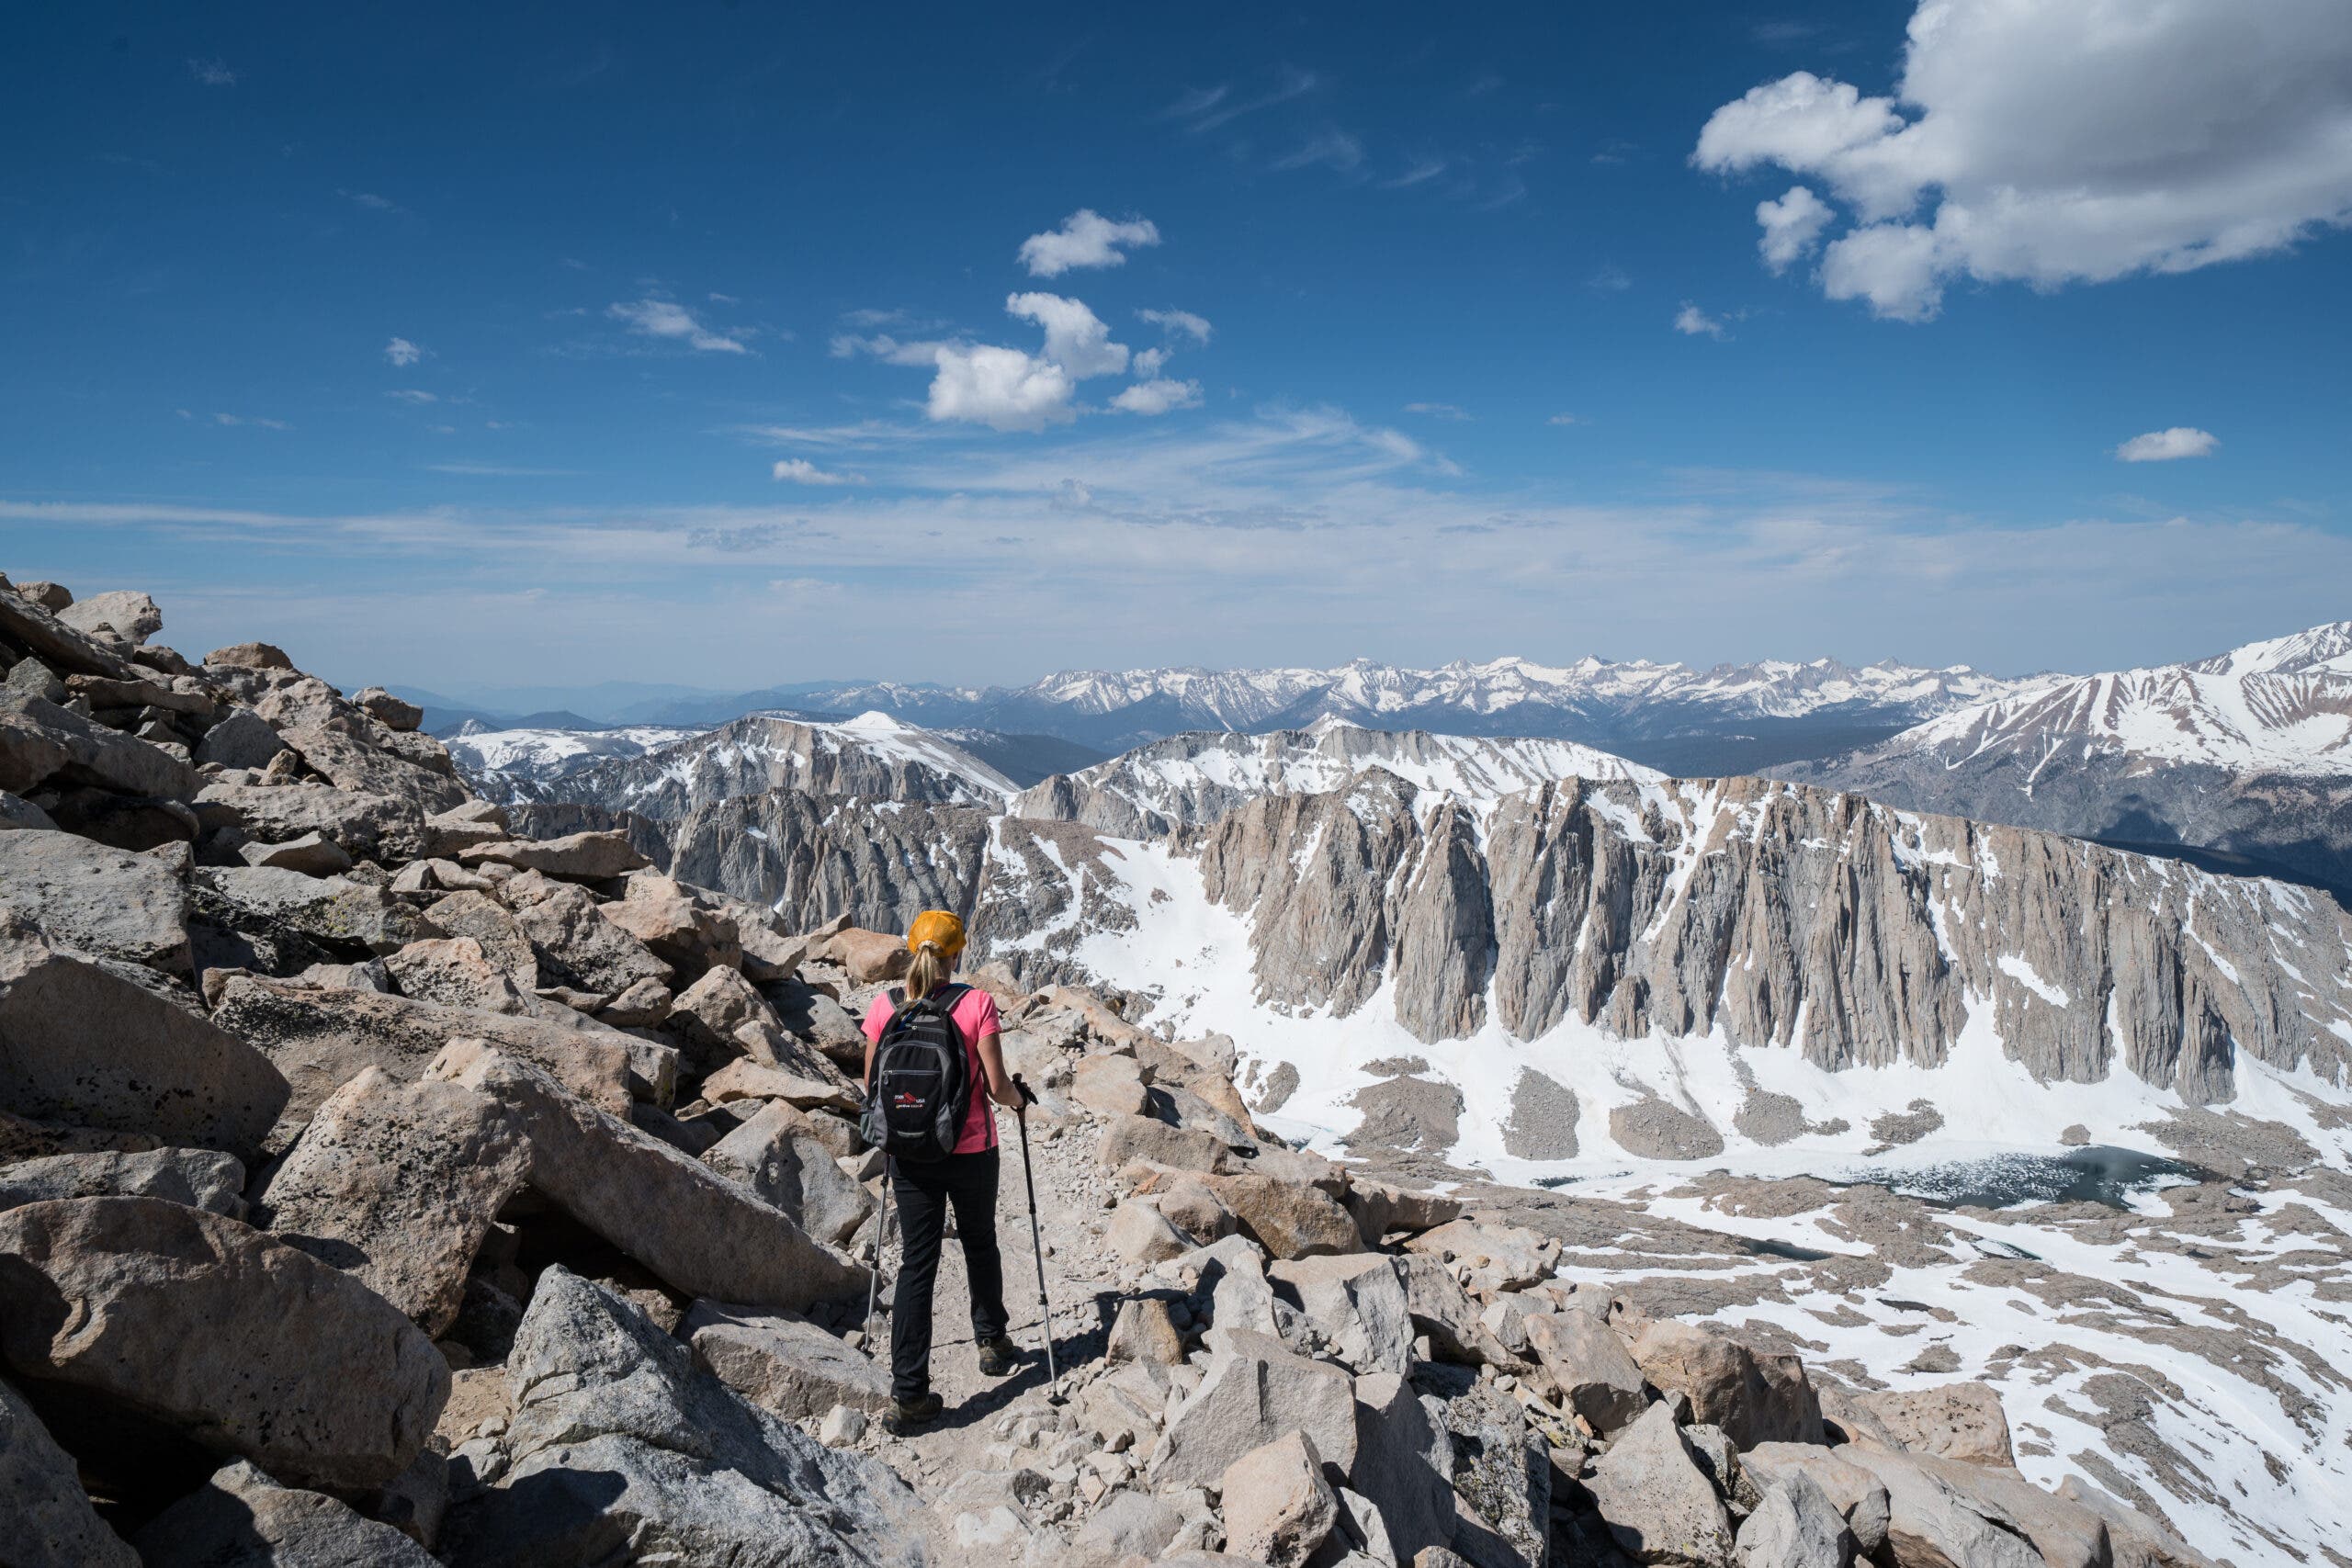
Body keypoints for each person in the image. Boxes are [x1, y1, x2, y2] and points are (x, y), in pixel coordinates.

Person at [861, 908, 1024, 1431]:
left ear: (912, 950)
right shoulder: (977, 1003)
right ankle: (992, 1342)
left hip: (910, 1154)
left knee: (917, 1263)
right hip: (971, 1148)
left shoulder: (884, 1006)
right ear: (958, 954)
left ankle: (908, 1393)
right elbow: (997, 1087)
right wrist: (1021, 1100)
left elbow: (871, 1089)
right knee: (979, 1240)